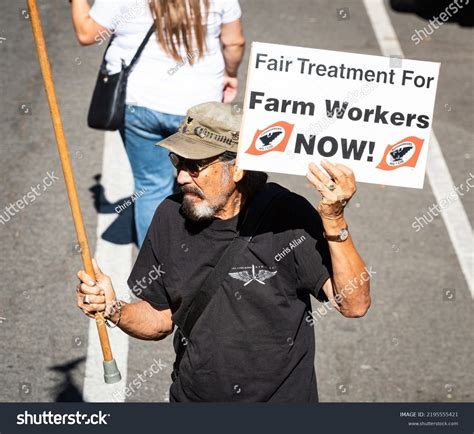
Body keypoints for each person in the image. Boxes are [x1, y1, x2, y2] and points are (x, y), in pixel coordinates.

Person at [76, 102, 371, 402]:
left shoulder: (288, 216)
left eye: (195, 166)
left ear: (237, 168)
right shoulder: (170, 215)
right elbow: (161, 317)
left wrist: (334, 220)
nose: (180, 177)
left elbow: (354, 304)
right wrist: (113, 308)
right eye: (177, 161)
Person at [70, 0, 245, 246]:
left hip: (141, 104)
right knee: (204, 184)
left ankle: (153, 269)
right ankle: (200, 258)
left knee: (150, 186)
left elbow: (87, 33)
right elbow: (234, 41)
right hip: (200, 106)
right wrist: (231, 73)